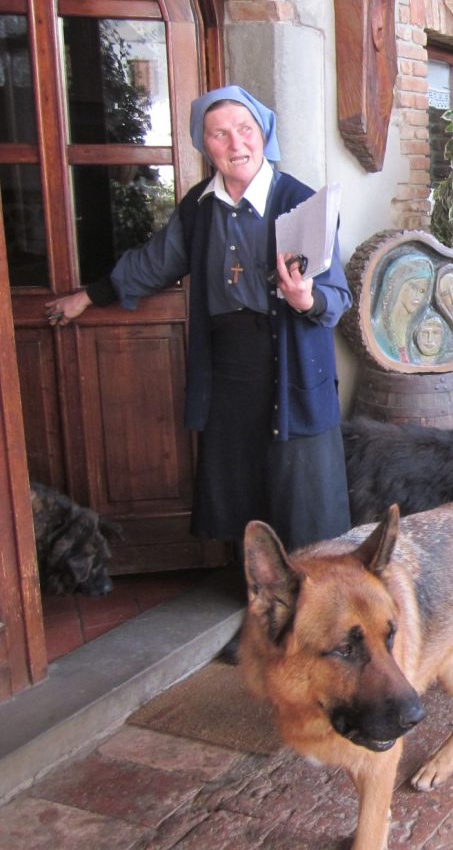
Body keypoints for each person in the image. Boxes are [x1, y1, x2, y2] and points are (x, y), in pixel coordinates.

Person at [44, 85, 353, 555]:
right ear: (202, 144)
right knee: (241, 480)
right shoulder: (200, 206)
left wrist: (307, 300)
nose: (236, 145)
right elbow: (156, 261)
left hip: (289, 364)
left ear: (263, 133)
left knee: (301, 489)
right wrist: (90, 295)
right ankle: (257, 586)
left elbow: (338, 298)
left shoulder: (301, 201)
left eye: (245, 130)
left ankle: (315, 592)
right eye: (219, 135)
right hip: (229, 367)